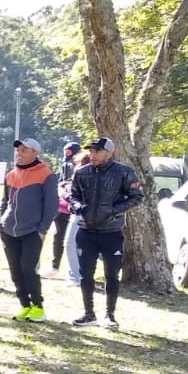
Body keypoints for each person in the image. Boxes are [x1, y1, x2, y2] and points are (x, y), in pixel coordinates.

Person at [69, 136, 143, 329]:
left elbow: (136, 196)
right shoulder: (82, 172)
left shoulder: (124, 172)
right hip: (86, 231)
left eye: (97, 151)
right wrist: (77, 207)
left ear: (109, 153)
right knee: (85, 274)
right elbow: (73, 195)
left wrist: (113, 210)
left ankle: (110, 315)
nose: (93, 155)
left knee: (111, 274)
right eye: (91, 151)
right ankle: (88, 314)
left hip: (111, 232)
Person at [0, 137, 59, 321]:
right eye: (18, 150)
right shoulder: (11, 175)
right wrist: (1, 223)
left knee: (28, 268)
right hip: (9, 231)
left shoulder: (46, 175)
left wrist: (42, 230)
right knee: (15, 270)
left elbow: (51, 206)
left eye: (24, 150)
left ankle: (38, 307)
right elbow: (5, 201)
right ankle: (25, 305)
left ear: (35, 153)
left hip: (31, 231)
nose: (19, 153)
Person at [52, 140, 80, 274]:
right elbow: (61, 180)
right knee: (59, 236)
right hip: (62, 206)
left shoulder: (80, 166)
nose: (68, 155)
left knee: (74, 240)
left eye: (70, 152)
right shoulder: (64, 163)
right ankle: (55, 266)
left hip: (74, 206)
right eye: (66, 152)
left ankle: (76, 270)